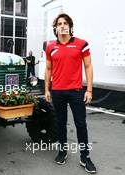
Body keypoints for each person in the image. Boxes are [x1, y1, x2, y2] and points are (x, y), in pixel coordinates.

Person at [44, 13, 97, 174]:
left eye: (65, 23)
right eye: (59, 23)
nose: (62, 25)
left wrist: (89, 89)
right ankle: (62, 151)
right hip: (58, 91)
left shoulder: (81, 44)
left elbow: (88, 66)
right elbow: (48, 69)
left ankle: (85, 157)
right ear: (56, 27)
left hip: (76, 92)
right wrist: (46, 89)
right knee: (60, 124)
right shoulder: (50, 47)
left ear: (70, 26)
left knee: (81, 124)